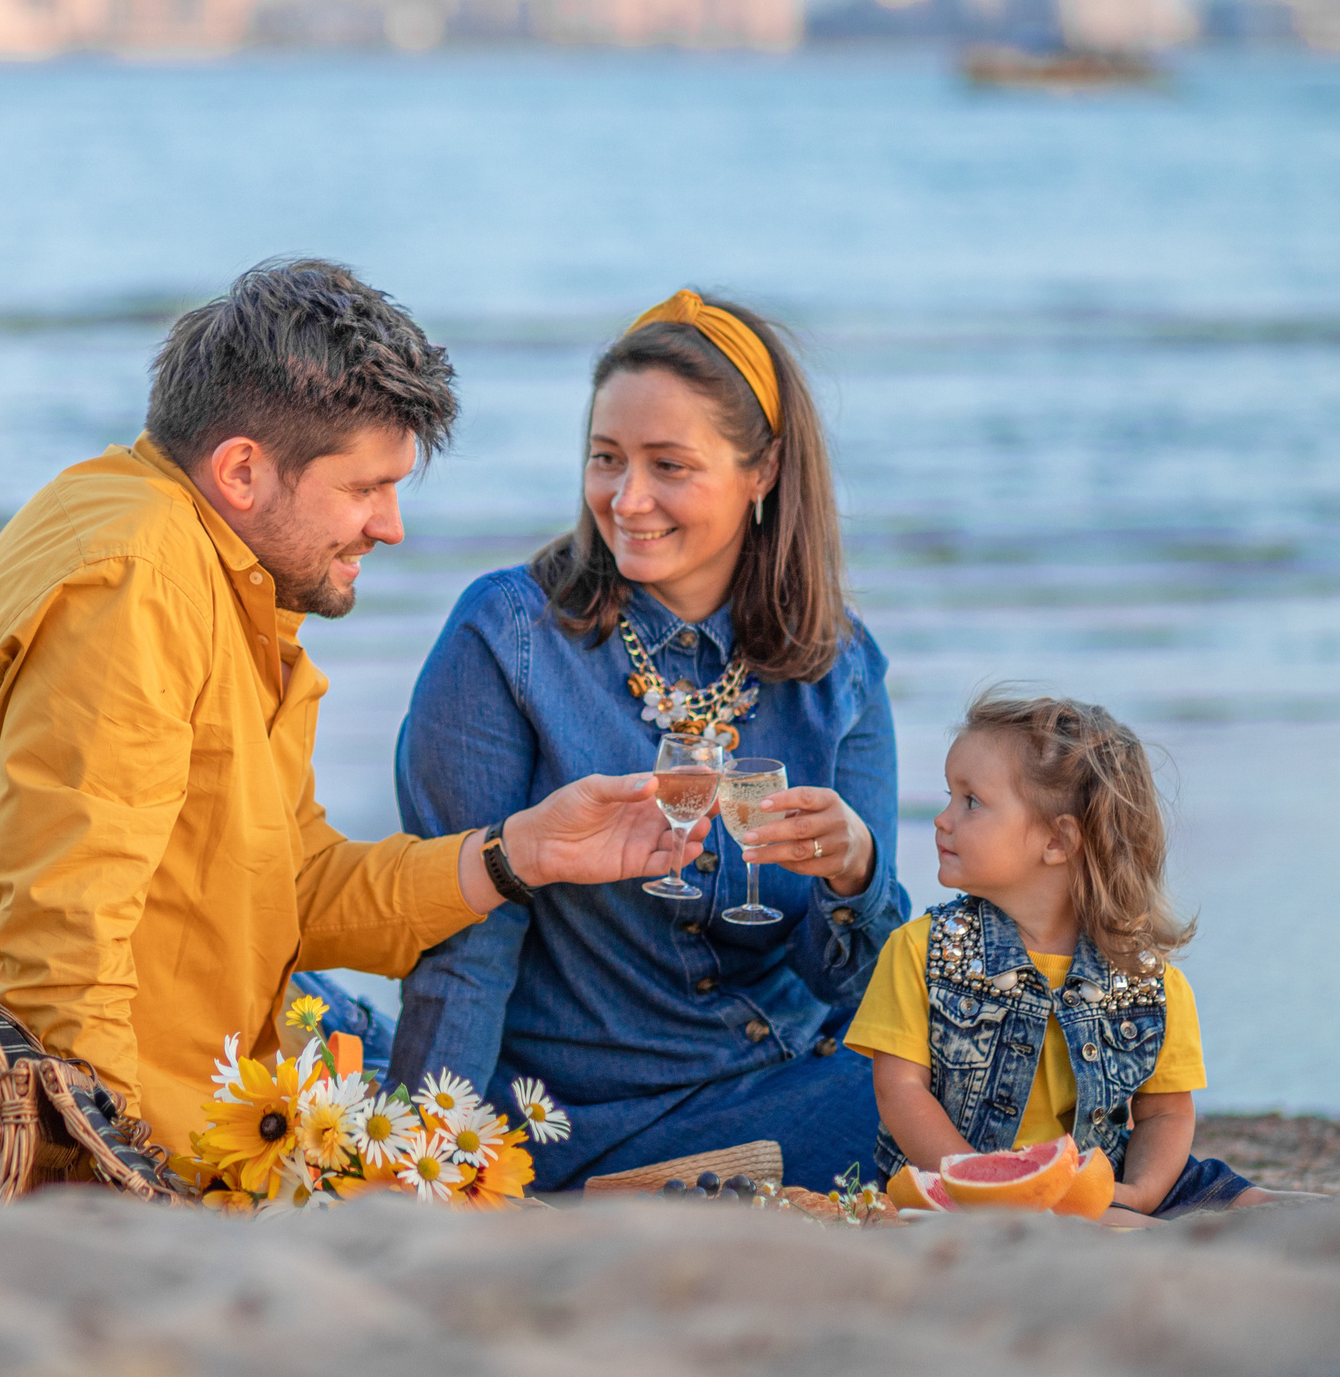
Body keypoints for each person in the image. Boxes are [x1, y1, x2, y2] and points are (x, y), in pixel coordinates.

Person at [0, 259, 700, 1160]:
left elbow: (293, 890)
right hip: (85, 1125)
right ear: (241, 469)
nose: (389, 526)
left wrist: (521, 853)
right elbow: (62, 948)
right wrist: (122, 1180)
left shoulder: (212, 564)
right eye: (364, 488)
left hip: (209, 1085)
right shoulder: (136, 581)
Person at [392, 289, 907, 1192]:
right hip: (578, 1110)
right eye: (606, 458)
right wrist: (421, 1165)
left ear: (764, 470)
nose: (626, 499)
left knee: (1002, 1058)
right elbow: (466, 940)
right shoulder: (507, 637)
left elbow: (857, 990)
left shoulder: (839, 667)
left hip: (785, 1080)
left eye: (669, 465)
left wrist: (854, 873)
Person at [848, 692, 1272, 1219]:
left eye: (971, 801)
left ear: (1057, 841)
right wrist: (979, 1180)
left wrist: (1139, 1193)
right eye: (948, 795)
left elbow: (1165, 1113)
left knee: (1227, 1192)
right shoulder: (921, 951)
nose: (941, 818)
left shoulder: (1148, 979)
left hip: (1100, 1178)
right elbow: (899, 1089)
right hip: (951, 1181)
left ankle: (1339, 1212)